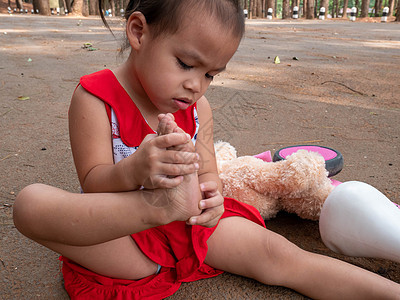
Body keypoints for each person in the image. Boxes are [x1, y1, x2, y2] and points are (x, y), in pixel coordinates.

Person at [13, 0, 400, 299]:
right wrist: (134, 173)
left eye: (210, 74)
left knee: (280, 256)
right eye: (185, 64)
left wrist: (211, 196)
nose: (196, 86)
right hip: (126, 238)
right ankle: (157, 206)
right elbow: (94, 183)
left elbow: (209, 173)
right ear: (138, 32)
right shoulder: (95, 98)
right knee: (30, 205)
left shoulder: (197, 109)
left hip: (192, 227)